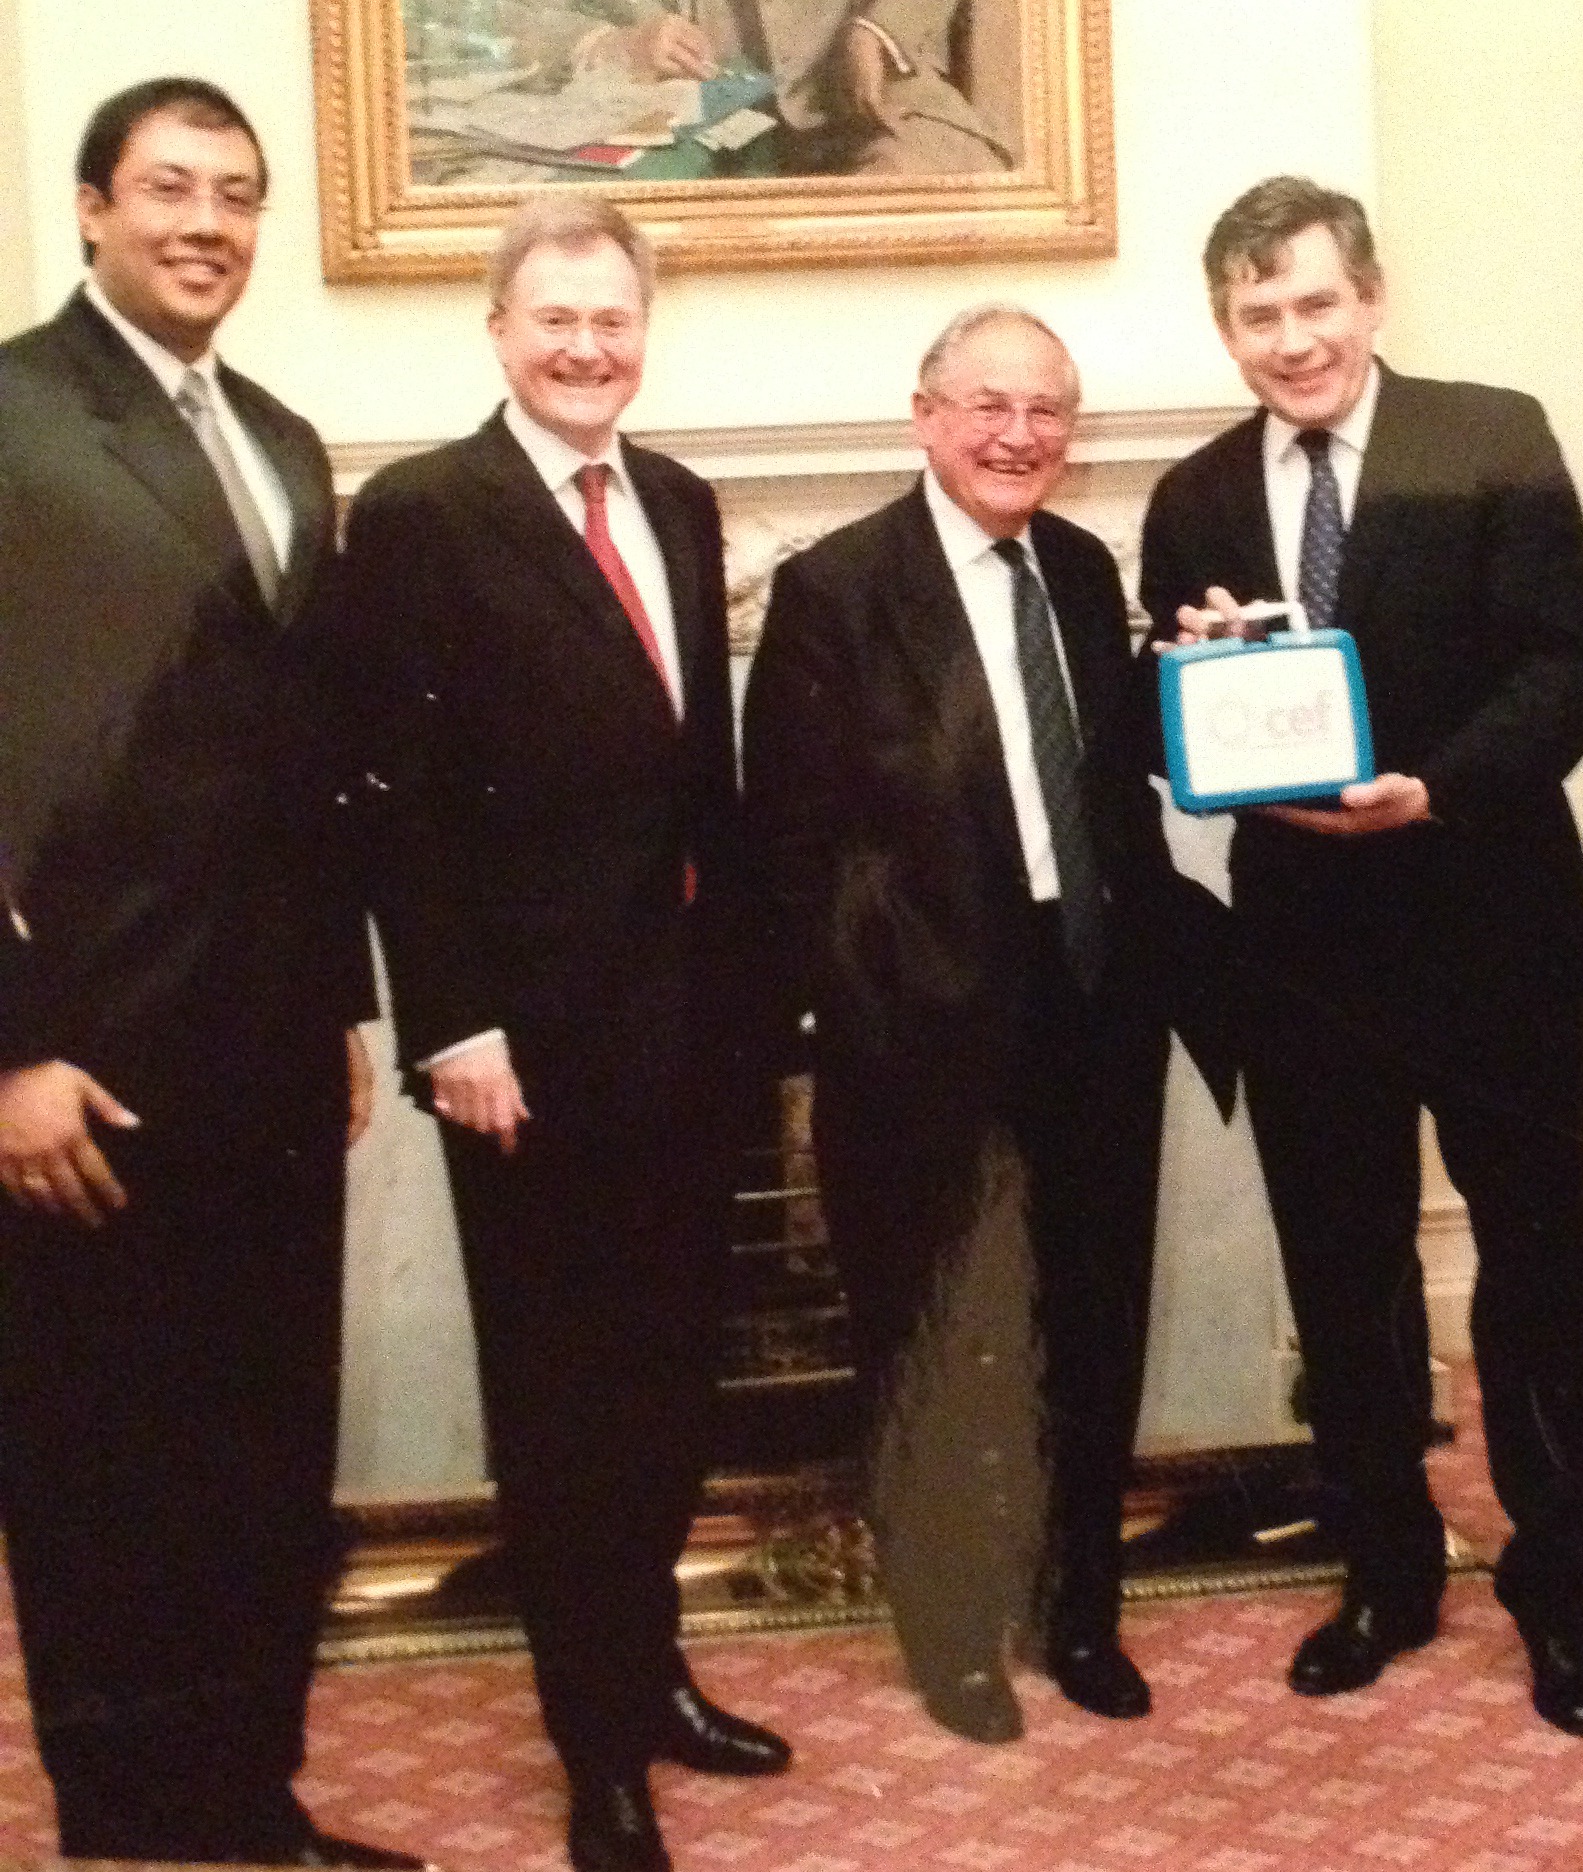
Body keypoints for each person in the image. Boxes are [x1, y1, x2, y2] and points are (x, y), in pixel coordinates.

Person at [0, 77, 424, 1868]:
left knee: (264, 1453)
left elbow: (297, 757)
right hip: (83, 1060)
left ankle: (251, 1803)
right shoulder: (12, 416)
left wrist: (337, 998)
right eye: (169, 188)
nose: (207, 223)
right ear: (91, 207)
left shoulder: (280, 431)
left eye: (238, 195)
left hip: (264, 1046)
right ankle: (129, 1830)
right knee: (103, 1466)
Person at [1139, 176, 1583, 1737]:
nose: (1293, 339)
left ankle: (1557, 1591)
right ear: (1227, 327)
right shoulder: (1193, 495)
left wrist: (1436, 790)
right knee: (1346, 1282)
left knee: (1538, 1277)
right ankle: (1388, 1571)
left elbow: (1571, 672)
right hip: (1304, 960)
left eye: (1315, 303)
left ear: (1372, 295)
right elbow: (1177, 732)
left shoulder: (1495, 433)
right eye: (1259, 314)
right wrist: (1194, 678)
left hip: (1494, 936)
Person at [345, 196, 788, 1872]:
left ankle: (652, 1671)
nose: (587, 346)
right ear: (498, 328)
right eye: (556, 319)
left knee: (674, 1384)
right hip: (519, 1052)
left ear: (643, 327)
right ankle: (595, 1749)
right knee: (560, 1406)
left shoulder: (672, 500)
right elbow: (393, 806)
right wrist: (450, 1019)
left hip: (686, 1034)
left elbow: (699, 782)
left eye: (612, 318)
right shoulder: (420, 514)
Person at [744, 305, 1209, 1743]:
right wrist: (861, 1007)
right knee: (934, 1337)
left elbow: (1119, 792)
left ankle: (1078, 1611)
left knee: (1090, 1321)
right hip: (917, 1036)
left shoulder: (1079, 572)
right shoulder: (833, 589)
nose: (1020, 436)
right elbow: (789, 845)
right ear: (926, 414)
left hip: (1090, 1007)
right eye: (990, 406)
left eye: (1049, 413)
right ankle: (950, 1635)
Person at [490, 0, 1008, 174]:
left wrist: (877, 31)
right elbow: (501, 18)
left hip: (875, 109)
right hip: (670, 143)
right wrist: (620, 42)